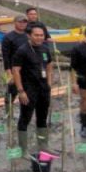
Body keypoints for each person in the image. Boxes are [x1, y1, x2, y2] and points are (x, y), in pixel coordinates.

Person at [12, 23, 52, 154]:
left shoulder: (45, 48)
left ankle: (43, 146)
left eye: (41, 35)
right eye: (36, 35)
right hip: (29, 89)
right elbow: (16, 71)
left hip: (43, 89)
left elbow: (49, 65)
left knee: (42, 117)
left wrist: (49, 83)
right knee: (25, 118)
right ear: (29, 35)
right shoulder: (22, 50)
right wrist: (21, 91)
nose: (39, 38)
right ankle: (23, 149)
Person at [1, 16, 31, 107]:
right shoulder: (8, 37)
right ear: (15, 23)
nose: (22, 24)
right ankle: (8, 113)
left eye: (24, 22)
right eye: (20, 22)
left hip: (28, 69)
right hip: (14, 70)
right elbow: (5, 56)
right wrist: (8, 73)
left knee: (28, 93)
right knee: (11, 92)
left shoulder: (29, 36)